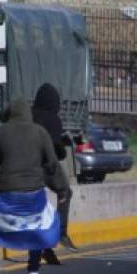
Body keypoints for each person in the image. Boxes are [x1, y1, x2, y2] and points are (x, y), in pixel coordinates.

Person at [0, 98, 67, 274]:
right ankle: (33, 271)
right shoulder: (40, 132)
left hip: (6, 192)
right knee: (39, 226)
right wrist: (61, 189)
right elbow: (52, 164)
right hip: (33, 195)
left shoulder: (0, 132)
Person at [31, 83, 78, 256]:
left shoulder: (28, 116)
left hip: (24, 167)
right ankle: (61, 233)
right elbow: (54, 150)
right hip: (45, 166)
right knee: (65, 191)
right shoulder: (53, 120)